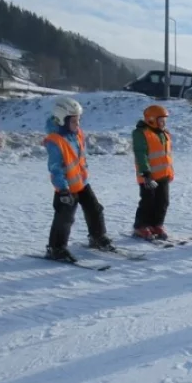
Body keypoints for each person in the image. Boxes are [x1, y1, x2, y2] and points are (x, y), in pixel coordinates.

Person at [43, 96, 113, 261]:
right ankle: (56, 248)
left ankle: (97, 237)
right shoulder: (55, 141)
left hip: (81, 182)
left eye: (78, 120)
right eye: (74, 121)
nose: (78, 124)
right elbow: (55, 168)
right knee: (64, 218)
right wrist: (63, 189)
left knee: (95, 209)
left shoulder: (76, 134)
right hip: (66, 188)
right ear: (61, 120)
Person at [131, 104, 173, 240]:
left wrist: (170, 172)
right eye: (161, 120)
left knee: (163, 201)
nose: (163, 123)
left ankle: (156, 224)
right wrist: (146, 173)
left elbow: (166, 155)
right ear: (151, 120)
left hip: (163, 174)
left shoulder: (164, 133)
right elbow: (140, 154)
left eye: (164, 120)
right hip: (148, 176)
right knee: (148, 201)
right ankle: (141, 226)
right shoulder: (141, 133)